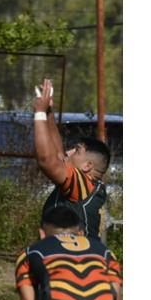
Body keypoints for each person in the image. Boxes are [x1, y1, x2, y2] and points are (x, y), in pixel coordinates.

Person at [32, 79, 112, 239]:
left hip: (75, 261)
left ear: (87, 166)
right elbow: (58, 155)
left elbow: (47, 161)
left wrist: (39, 113)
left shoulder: (82, 185)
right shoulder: (86, 185)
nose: (68, 152)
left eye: (76, 151)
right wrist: (48, 111)